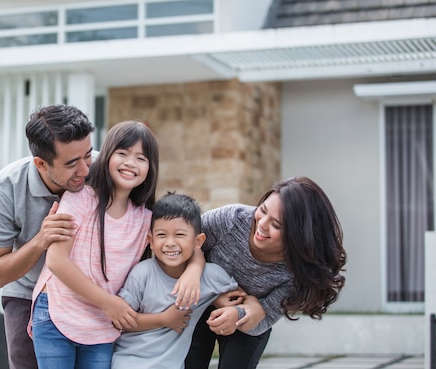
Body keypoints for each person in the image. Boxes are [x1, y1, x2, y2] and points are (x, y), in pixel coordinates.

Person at [29, 121, 204, 369]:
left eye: (141, 158)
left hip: (102, 324)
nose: (130, 163)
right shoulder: (79, 199)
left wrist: (195, 269)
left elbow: (188, 241)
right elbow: (56, 261)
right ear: (107, 155)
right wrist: (109, 303)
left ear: (150, 168)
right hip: (58, 312)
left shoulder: (145, 219)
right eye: (122, 153)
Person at [185, 176, 347, 369]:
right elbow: (184, 248)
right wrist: (215, 295)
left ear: (299, 235)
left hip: (247, 324)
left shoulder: (296, 273)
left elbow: (261, 319)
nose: (261, 224)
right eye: (262, 210)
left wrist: (239, 313)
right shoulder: (230, 219)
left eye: (276, 225)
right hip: (198, 300)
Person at [0, 104, 95, 369]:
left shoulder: (103, 170)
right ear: (41, 164)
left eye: (87, 155)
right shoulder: (4, 190)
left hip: (90, 293)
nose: (85, 170)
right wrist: (41, 240)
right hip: (28, 294)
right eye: (71, 164)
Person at [111, 192, 256, 369]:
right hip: (128, 361)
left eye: (179, 234)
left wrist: (233, 308)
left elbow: (245, 298)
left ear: (198, 241)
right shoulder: (142, 273)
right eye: (162, 235)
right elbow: (121, 321)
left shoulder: (211, 276)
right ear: (150, 240)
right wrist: (164, 319)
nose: (170, 243)